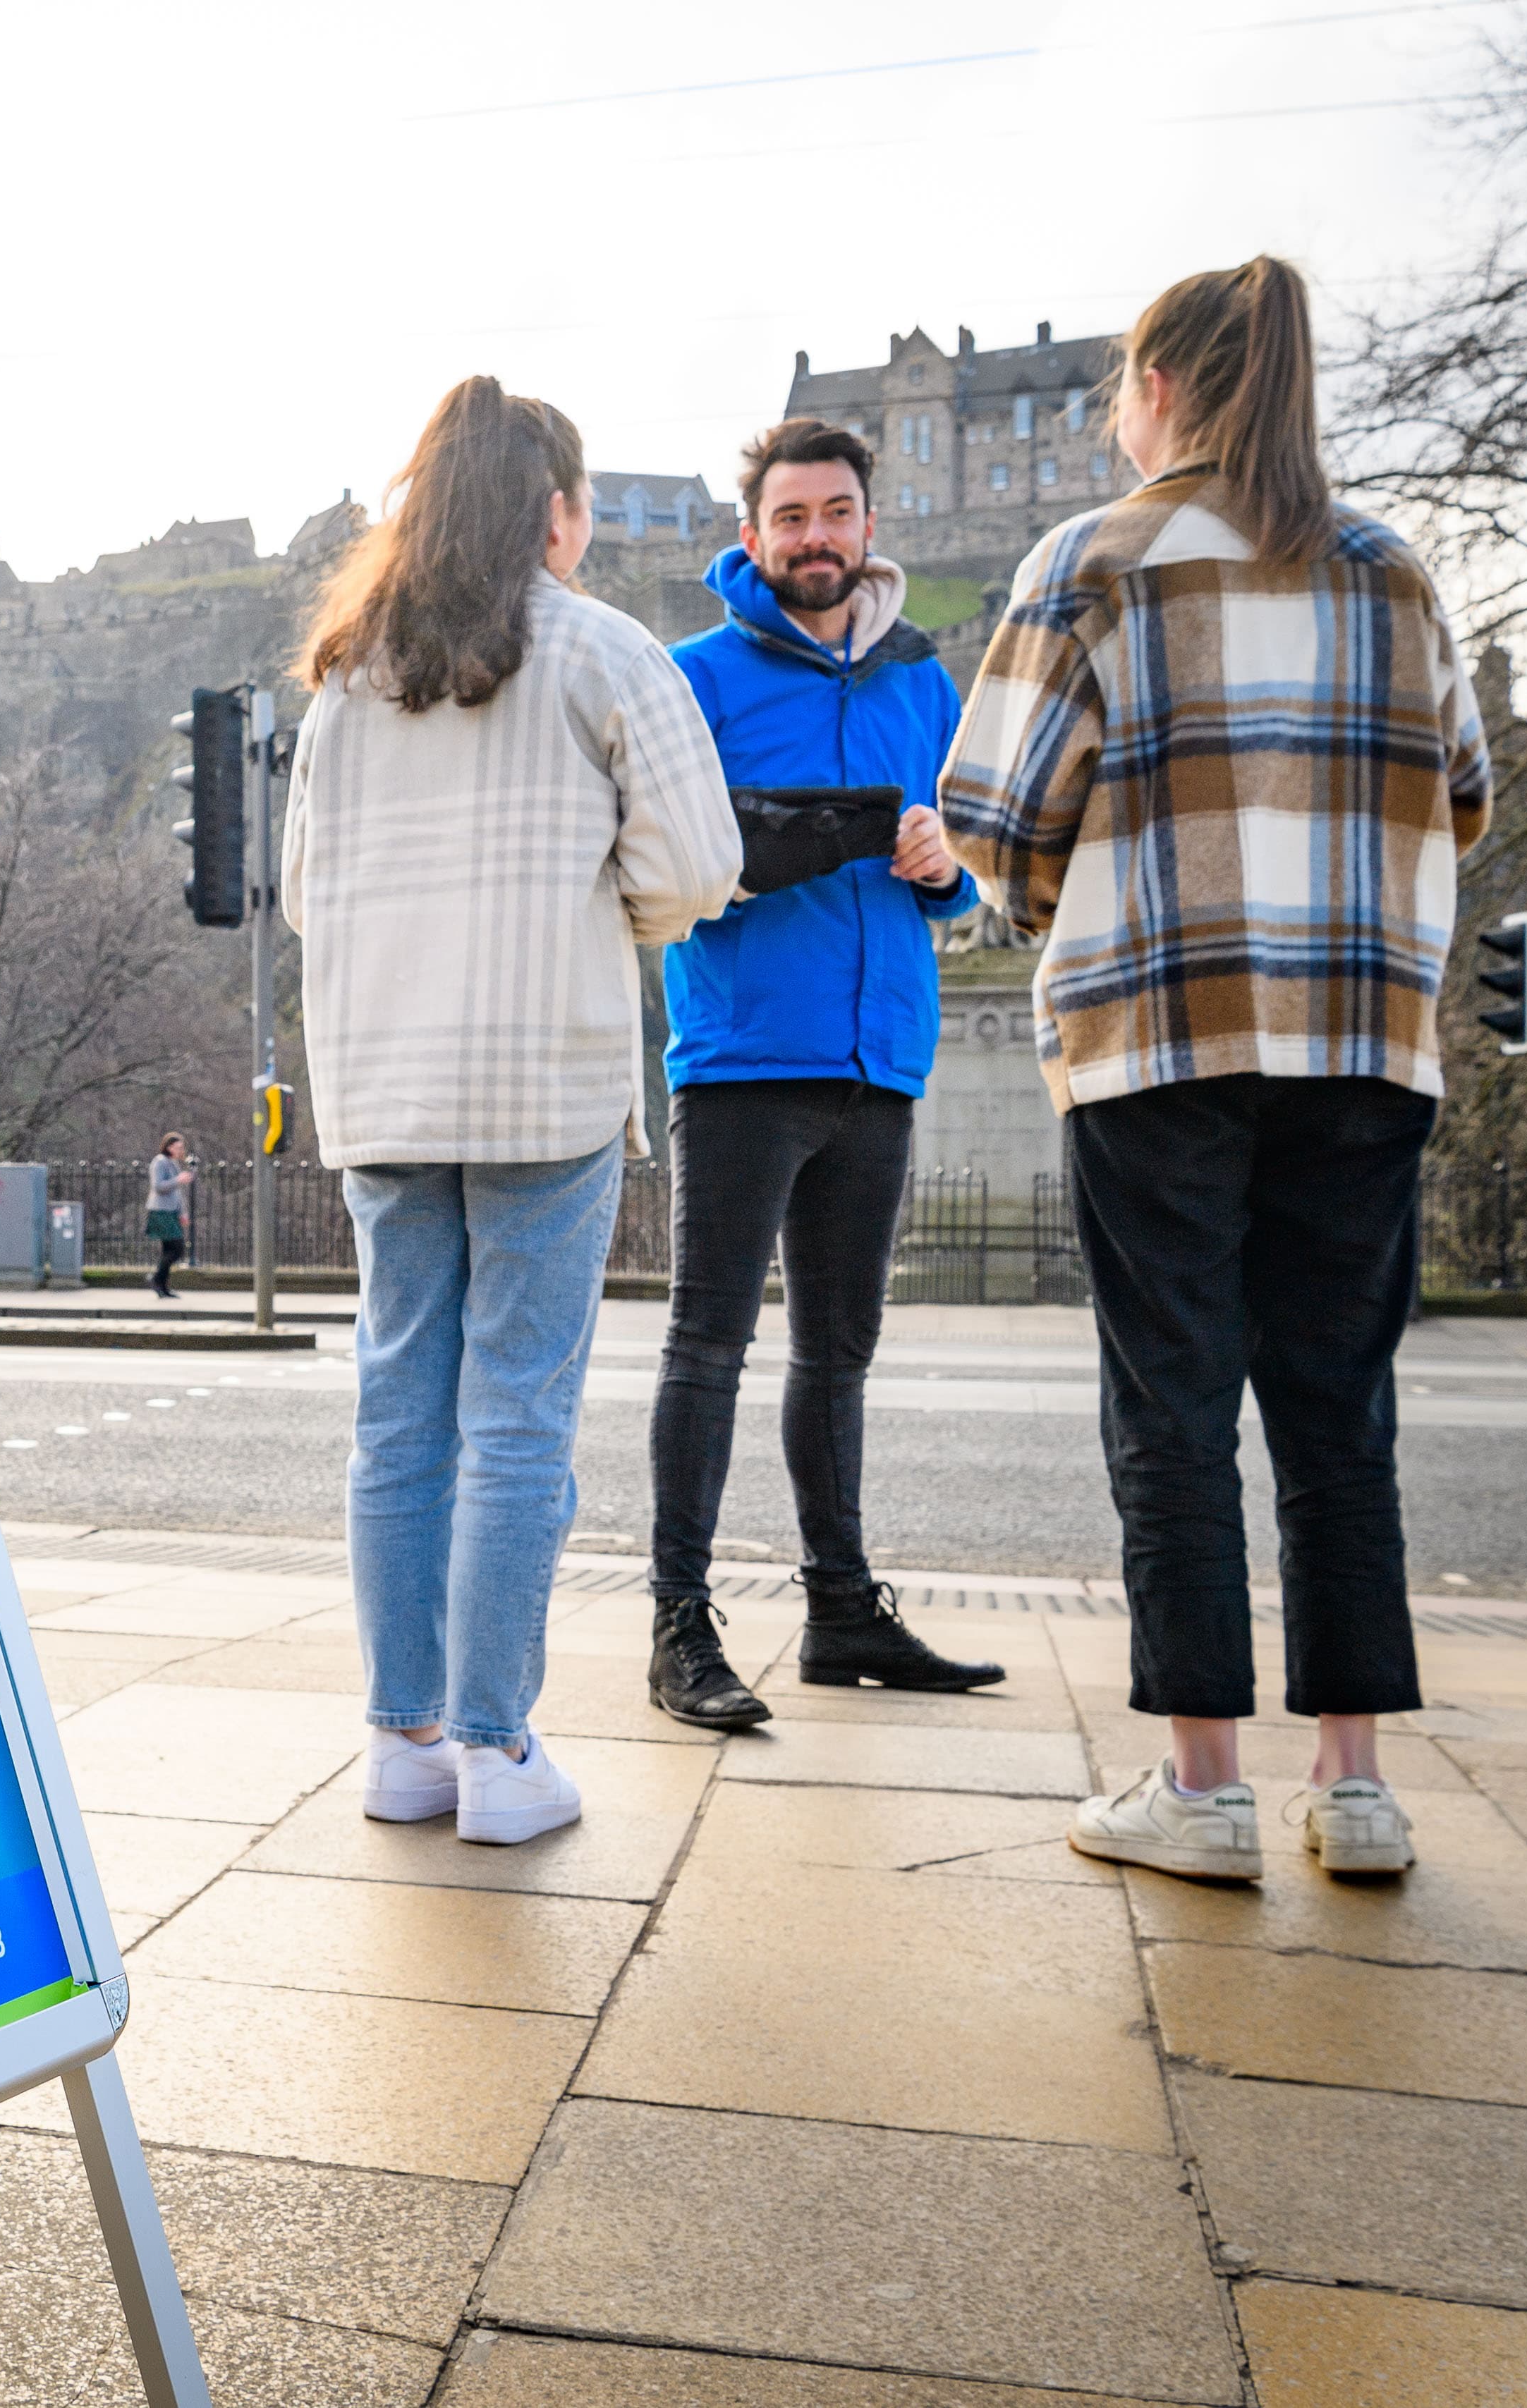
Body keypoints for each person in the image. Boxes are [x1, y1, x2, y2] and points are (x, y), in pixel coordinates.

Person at [942, 257, 1488, 1882]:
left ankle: (1197, 1784)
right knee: (1337, 1407)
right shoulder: (1387, 570)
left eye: (1121, 387)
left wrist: (1059, 902)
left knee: (1169, 1401)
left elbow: (992, 817)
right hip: (1358, 1038)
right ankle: (1355, 1782)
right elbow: (1455, 791)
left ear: (1162, 391)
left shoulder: (1088, 562)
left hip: (1156, 1035)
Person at [282, 378, 742, 1844]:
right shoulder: (604, 654)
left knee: (395, 1416)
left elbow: (301, 895)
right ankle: (495, 1752)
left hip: (386, 1087)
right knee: (515, 1422)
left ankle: (398, 1741)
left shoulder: (346, 681)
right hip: (542, 1077)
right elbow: (695, 872)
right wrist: (579, 905)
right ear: (553, 512)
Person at [641, 421, 1007, 1730]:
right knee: (707, 1344)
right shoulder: (691, 676)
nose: (814, 538)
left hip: (881, 1061)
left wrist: (937, 865)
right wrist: (780, 843)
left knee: (838, 1355)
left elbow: (969, 876)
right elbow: (656, 860)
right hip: (743, 1056)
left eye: (835, 513)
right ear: (752, 539)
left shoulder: (920, 682)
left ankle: (841, 1612)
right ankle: (677, 1625)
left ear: (867, 525)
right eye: (789, 517)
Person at [145, 1132, 196, 1298]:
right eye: (179, 1147)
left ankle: (162, 1286)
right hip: (161, 1211)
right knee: (177, 1248)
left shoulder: (173, 1164)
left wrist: (183, 1213)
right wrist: (178, 1180)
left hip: (171, 1211)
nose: (182, 1151)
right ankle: (156, 1279)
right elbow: (158, 1186)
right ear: (169, 1147)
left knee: (169, 1249)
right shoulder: (159, 1162)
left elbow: (177, 1193)